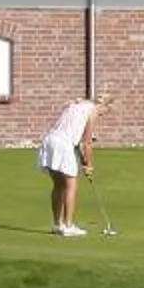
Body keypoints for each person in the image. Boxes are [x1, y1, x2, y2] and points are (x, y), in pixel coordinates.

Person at [38, 94, 106, 236]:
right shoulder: (92, 110)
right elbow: (86, 143)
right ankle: (68, 226)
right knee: (71, 185)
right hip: (62, 144)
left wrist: (84, 162)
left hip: (50, 140)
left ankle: (58, 225)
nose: (101, 115)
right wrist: (88, 165)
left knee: (59, 185)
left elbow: (78, 143)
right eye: (104, 113)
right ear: (103, 106)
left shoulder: (76, 105)